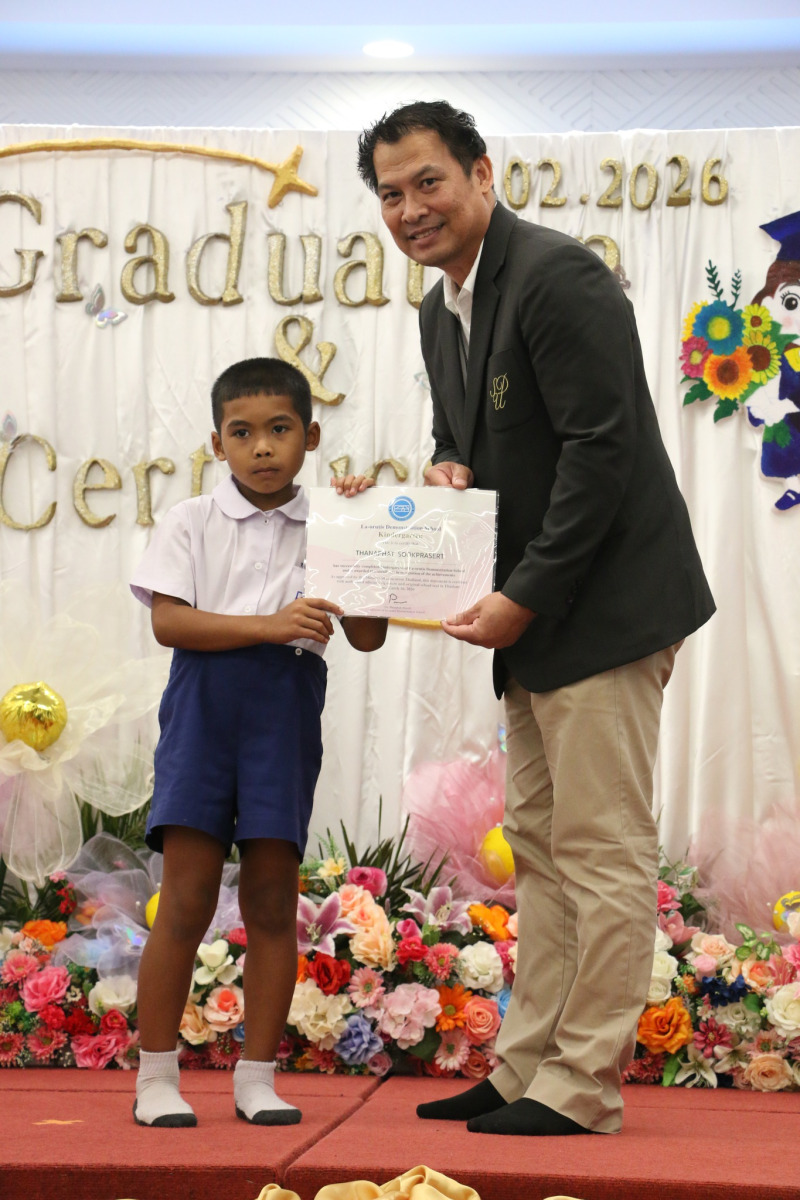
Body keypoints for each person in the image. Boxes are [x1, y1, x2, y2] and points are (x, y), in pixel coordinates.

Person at [357, 101, 715, 1136]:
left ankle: (582, 1085)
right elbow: (465, 438)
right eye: (390, 193)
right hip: (534, 617)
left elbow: (603, 451)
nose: (410, 209)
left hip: (601, 608)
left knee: (601, 851)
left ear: (482, 174)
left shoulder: (559, 277)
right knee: (543, 849)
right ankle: (523, 1071)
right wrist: (446, 471)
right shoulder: (440, 310)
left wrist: (521, 596)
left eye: (428, 182)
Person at [129, 356, 386, 1128]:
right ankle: (155, 1079)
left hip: (284, 710)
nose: (263, 447)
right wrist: (270, 625)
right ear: (217, 444)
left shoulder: (333, 522)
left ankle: (257, 1078)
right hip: (203, 709)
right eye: (242, 433)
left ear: (311, 436)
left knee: (273, 898)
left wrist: (365, 531)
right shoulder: (190, 521)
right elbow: (169, 622)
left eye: (280, 430)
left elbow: (368, 635)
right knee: (186, 897)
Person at [744, 210, 800, 510]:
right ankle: (794, 485)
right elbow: (762, 388)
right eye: (792, 302)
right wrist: (764, 405)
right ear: (768, 301)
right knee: (784, 446)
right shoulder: (771, 354)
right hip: (787, 420)